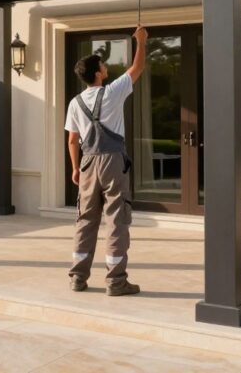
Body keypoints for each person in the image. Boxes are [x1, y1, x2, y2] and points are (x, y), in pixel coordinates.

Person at [65, 25, 147, 296]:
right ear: (98, 73)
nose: (105, 66)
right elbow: (137, 68)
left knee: (85, 220)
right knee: (116, 219)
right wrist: (142, 41)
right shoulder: (112, 92)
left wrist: (76, 169)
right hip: (112, 161)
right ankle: (116, 281)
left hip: (87, 162)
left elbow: (72, 140)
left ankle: (78, 278)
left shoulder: (75, 103)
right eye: (102, 64)